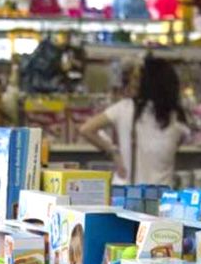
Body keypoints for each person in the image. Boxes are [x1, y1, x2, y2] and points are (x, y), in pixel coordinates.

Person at [79, 53, 190, 186]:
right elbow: (180, 141)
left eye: (137, 78)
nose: (133, 82)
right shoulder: (177, 118)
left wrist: (113, 152)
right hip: (162, 195)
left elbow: (86, 129)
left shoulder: (124, 108)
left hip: (127, 193)